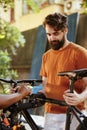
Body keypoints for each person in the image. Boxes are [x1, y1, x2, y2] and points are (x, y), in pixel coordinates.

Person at [40, 12, 87, 130]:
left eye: (55, 34)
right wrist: (25, 92)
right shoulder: (46, 56)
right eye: (48, 34)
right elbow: (45, 86)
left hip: (73, 114)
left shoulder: (79, 53)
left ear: (65, 30)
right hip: (50, 114)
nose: (52, 38)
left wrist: (81, 97)